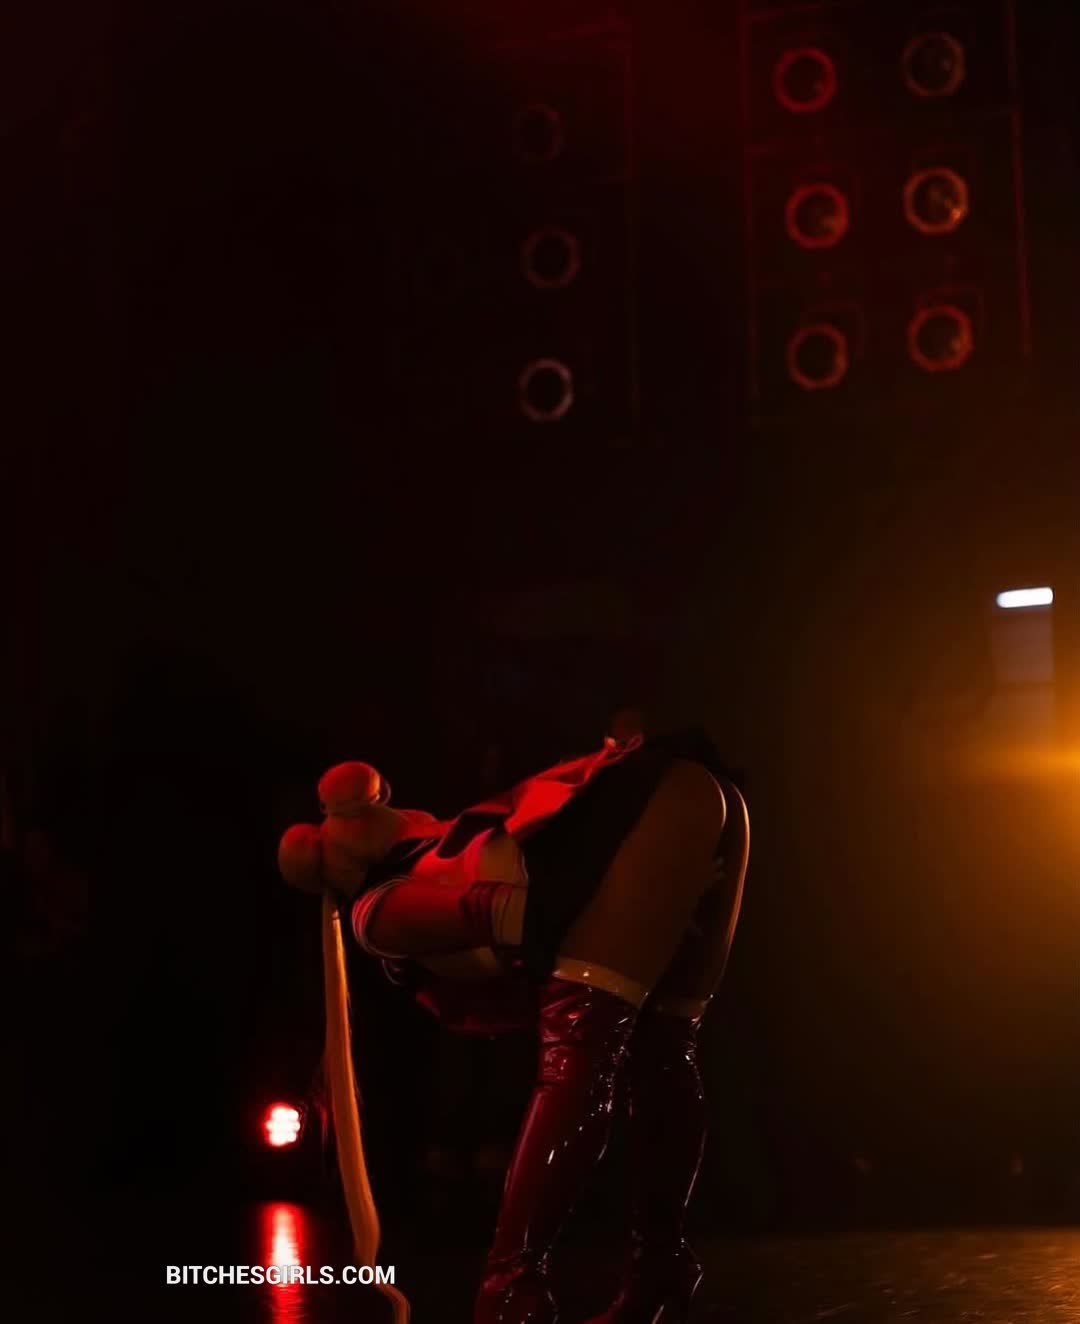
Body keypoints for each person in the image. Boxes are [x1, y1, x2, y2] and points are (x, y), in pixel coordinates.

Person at [279, 727, 749, 1324]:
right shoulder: (389, 898)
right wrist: (648, 885)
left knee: (605, 1049)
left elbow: (519, 912)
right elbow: (508, 911)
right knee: (654, 1049)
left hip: (650, 803)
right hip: (689, 802)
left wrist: (639, 886)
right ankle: (645, 1269)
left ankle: (514, 1288)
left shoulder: (417, 870)